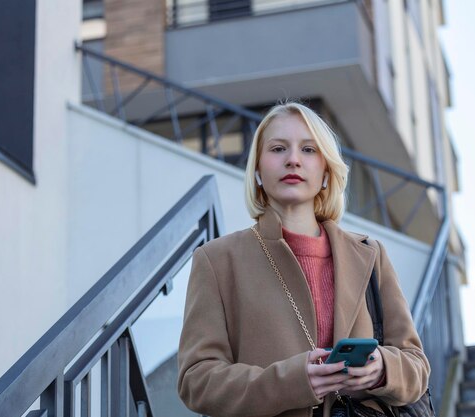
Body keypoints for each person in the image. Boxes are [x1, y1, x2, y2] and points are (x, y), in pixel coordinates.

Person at [177, 102, 430, 416]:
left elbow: (416, 364)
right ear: (257, 170)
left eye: (309, 150)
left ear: (326, 171)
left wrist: (382, 369)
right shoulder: (216, 261)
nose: (293, 160)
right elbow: (196, 380)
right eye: (278, 148)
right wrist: (292, 382)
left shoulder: (370, 255)